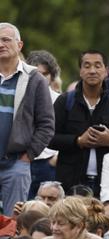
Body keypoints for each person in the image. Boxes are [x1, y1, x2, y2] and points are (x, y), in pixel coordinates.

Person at [51, 49, 109, 196]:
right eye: (87, 66)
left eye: (97, 65)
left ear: (106, 71)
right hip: (70, 182)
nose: (92, 70)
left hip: (107, 183)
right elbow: (49, 138)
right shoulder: (65, 101)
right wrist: (78, 141)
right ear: (80, 71)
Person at [0, 23, 54, 216]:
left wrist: (28, 156)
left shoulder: (34, 79)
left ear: (20, 45)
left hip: (16, 163)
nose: (1, 44)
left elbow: (46, 124)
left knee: (12, 223)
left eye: (6, 39)